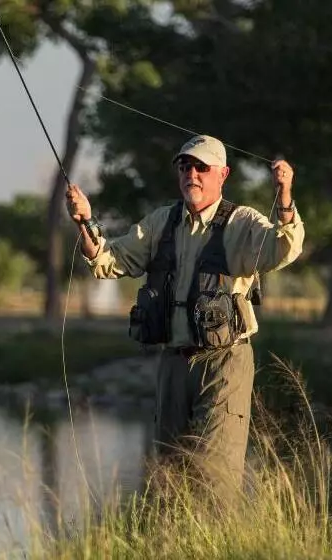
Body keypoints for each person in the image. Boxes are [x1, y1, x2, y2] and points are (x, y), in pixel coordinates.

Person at [65, 134, 305, 499]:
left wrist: (284, 197)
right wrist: (85, 222)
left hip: (224, 363)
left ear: (222, 174)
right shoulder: (161, 222)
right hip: (173, 363)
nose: (191, 174)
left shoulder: (242, 222)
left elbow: (283, 248)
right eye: (184, 166)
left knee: (213, 477)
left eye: (201, 167)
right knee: (169, 477)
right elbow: (108, 259)